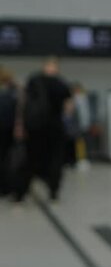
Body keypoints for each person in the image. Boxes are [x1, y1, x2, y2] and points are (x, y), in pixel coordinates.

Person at [15, 57, 71, 202]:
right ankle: (53, 192)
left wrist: (20, 125)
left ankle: (21, 193)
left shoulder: (34, 80)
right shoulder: (61, 84)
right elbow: (68, 109)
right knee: (56, 160)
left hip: (35, 128)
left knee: (30, 159)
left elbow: (23, 103)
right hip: (55, 128)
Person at [0, 66, 20, 196]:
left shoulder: (12, 92)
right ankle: (6, 187)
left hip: (7, 129)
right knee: (6, 158)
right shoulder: (13, 92)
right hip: (8, 129)